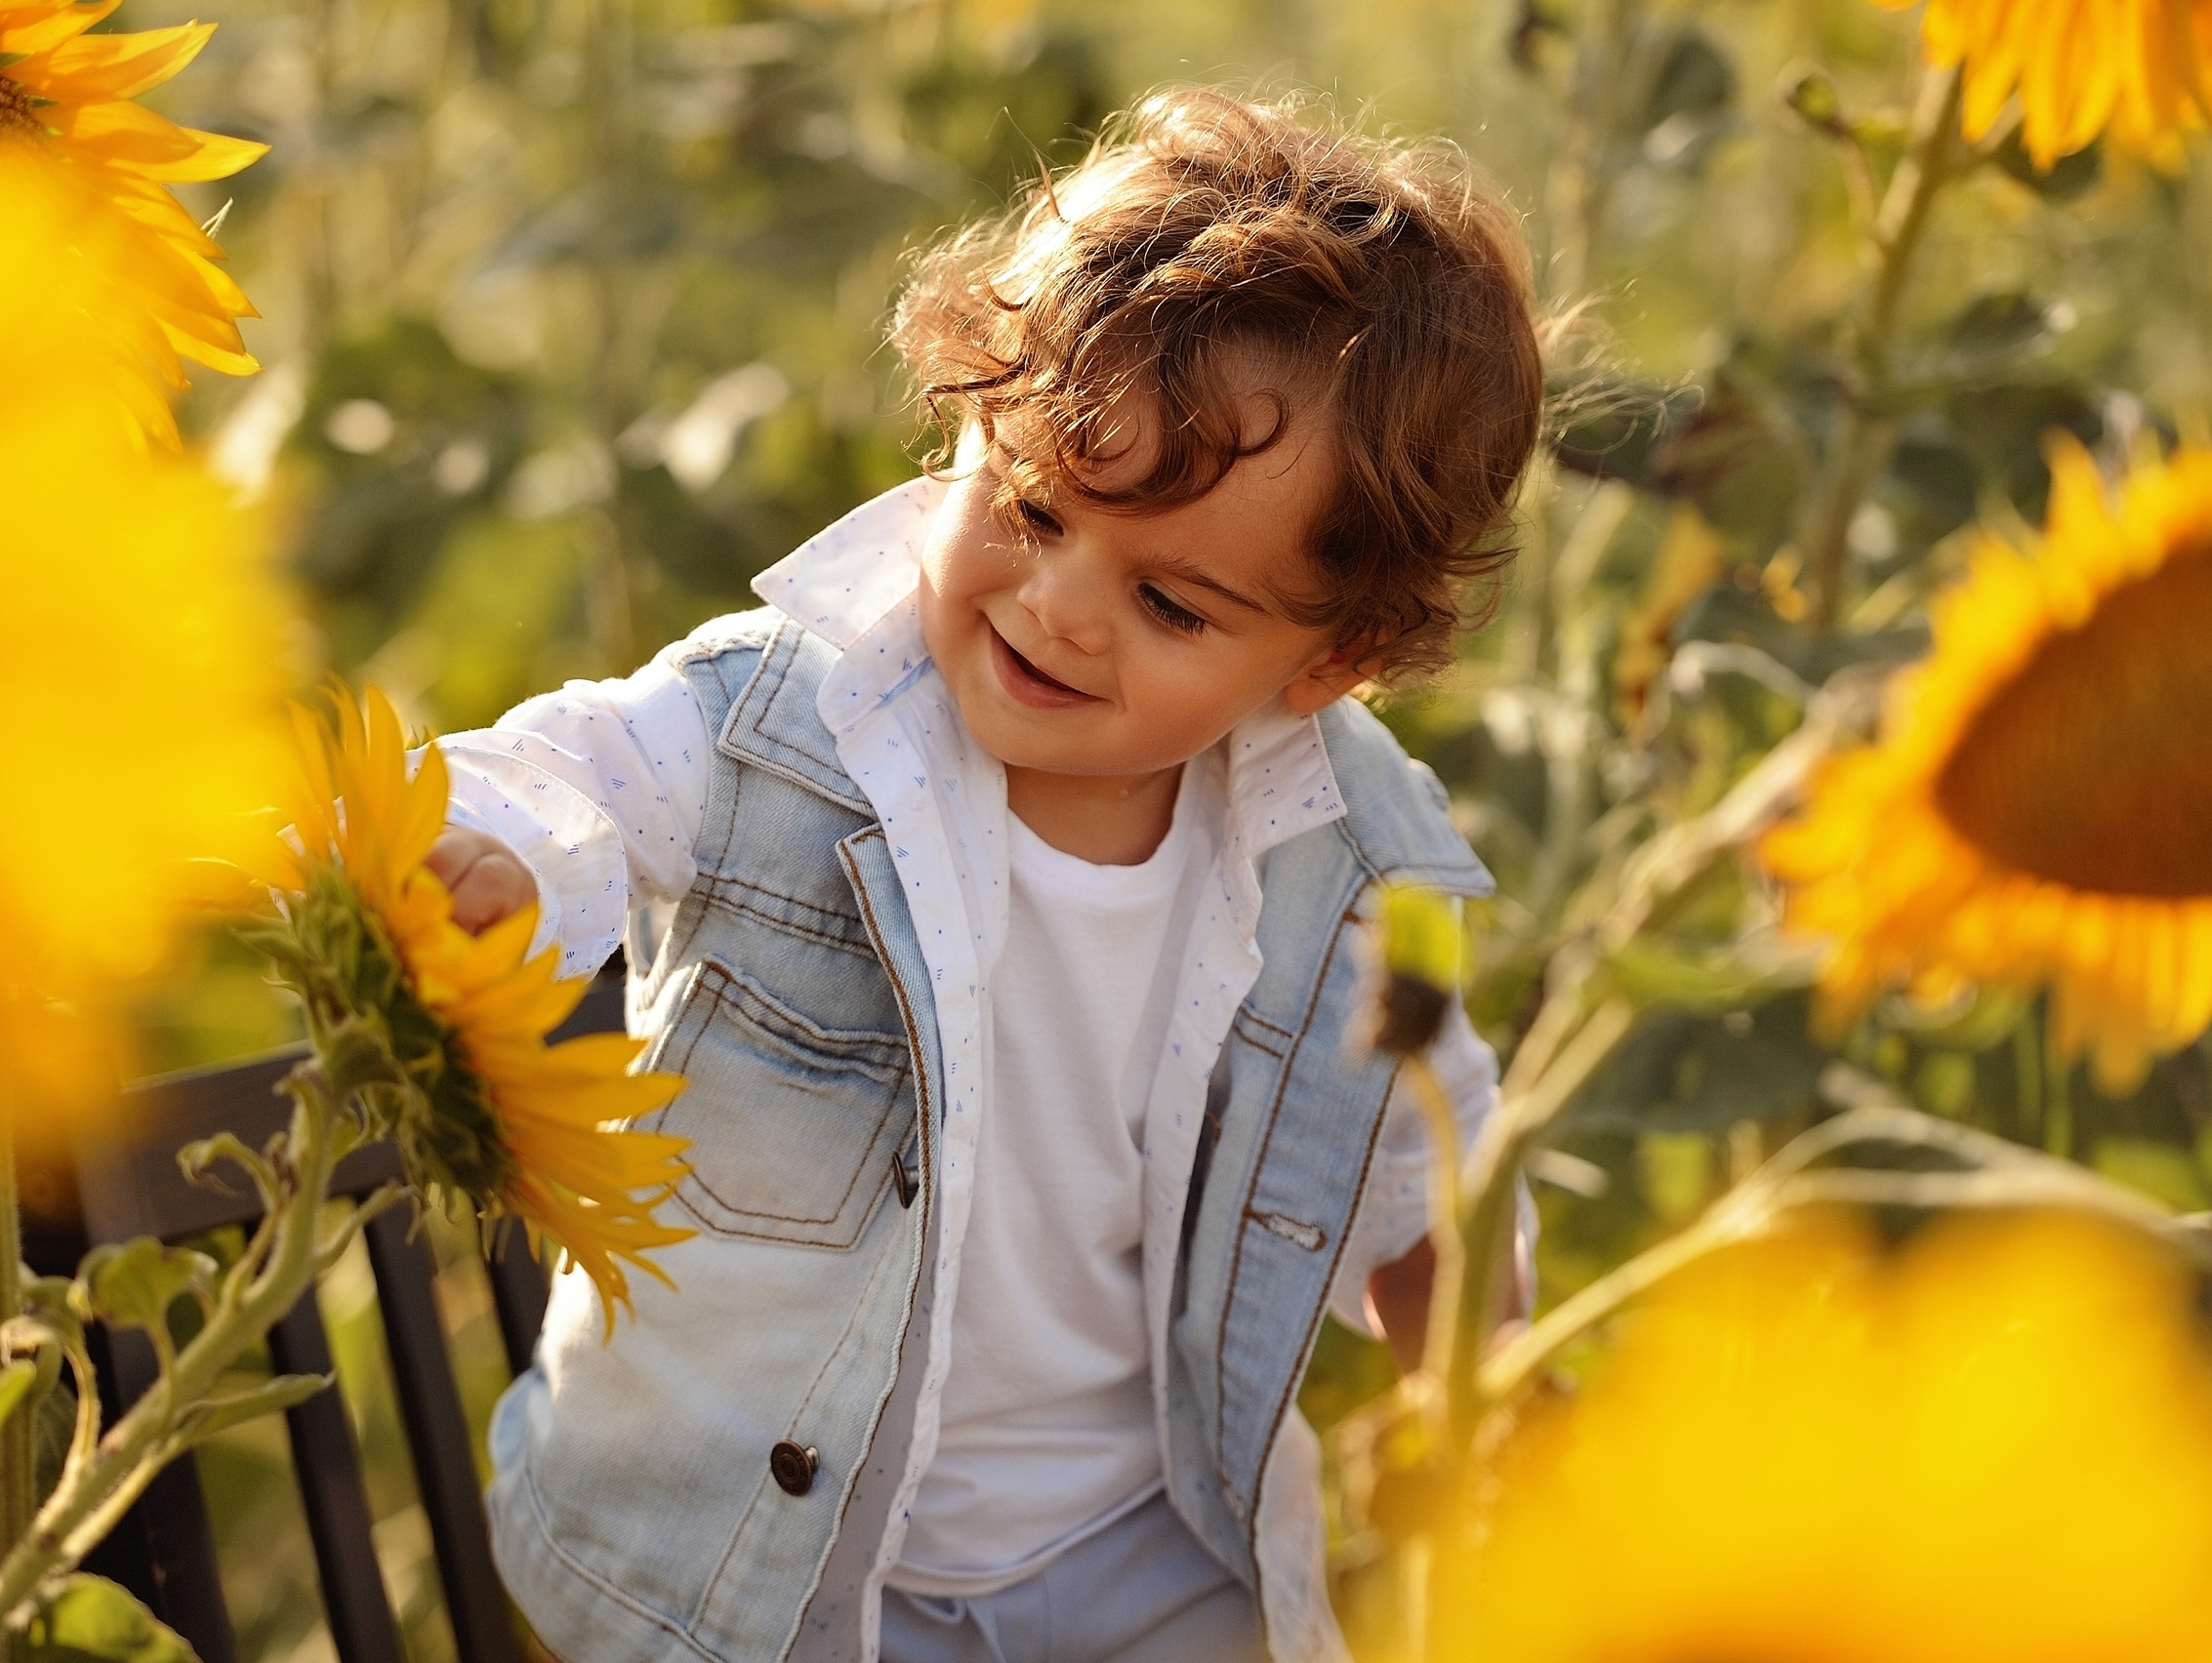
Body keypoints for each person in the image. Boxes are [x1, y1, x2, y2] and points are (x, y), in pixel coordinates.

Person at [428, 88, 1544, 1663]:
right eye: (1026, 502)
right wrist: (484, 858)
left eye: (1170, 603)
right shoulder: (791, 720)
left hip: (1139, 1543)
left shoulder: (1345, 867)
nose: (1059, 606)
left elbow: (1426, 1170)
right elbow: (581, 775)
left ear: (1334, 660)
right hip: (748, 1572)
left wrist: (1492, 1398)